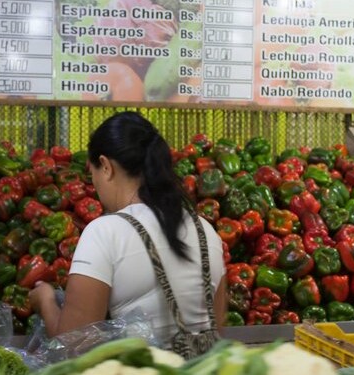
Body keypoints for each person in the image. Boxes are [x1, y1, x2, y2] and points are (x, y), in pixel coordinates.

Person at [29, 111, 227, 348]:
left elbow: (74, 345)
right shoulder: (206, 231)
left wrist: (46, 301)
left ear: (105, 166)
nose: (96, 187)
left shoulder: (105, 232)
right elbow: (217, 327)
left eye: (92, 174)